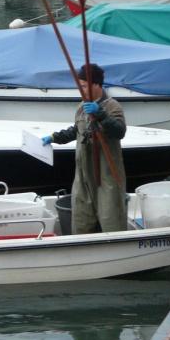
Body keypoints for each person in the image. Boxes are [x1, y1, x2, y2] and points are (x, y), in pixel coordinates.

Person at [42, 64, 127, 234]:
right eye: (79, 85)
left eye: (83, 85)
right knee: (81, 218)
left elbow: (119, 131)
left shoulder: (112, 106)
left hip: (106, 174)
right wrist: (54, 137)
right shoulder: (82, 106)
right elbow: (77, 130)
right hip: (83, 175)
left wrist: (101, 114)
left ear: (96, 84)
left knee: (111, 218)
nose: (80, 89)